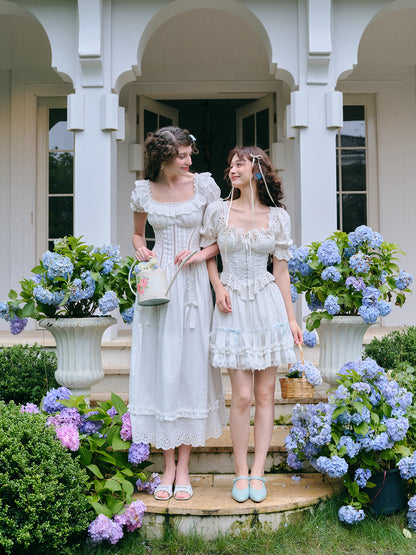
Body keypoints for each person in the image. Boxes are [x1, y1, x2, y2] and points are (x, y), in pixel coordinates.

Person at [128, 127, 226, 501]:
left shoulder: (204, 187)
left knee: (190, 367)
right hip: (157, 284)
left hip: (194, 287)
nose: (189, 161)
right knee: (161, 366)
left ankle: (183, 466)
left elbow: (222, 236)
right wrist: (142, 250)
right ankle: (166, 465)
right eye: (183, 155)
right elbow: (138, 236)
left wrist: (200, 255)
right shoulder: (143, 191)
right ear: (165, 157)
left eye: (189, 154)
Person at [201, 145, 303, 503]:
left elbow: (281, 271)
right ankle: (239, 472)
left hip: (267, 306)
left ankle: (258, 472)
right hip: (231, 306)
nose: (232, 169)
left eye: (239, 164)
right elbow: (209, 255)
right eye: (230, 164)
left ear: (256, 170)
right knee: (242, 395)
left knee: (264, 395)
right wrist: (217, 289)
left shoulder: (277, 218)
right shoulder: (217, 211)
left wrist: (291, 319)